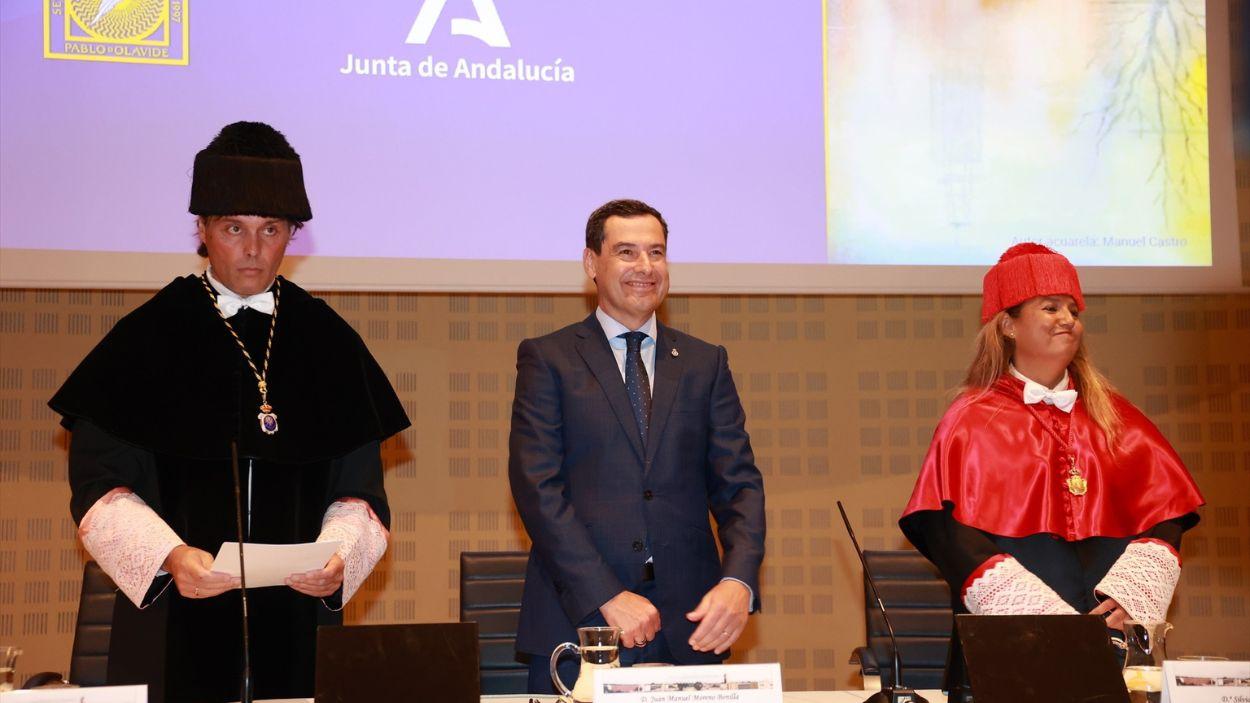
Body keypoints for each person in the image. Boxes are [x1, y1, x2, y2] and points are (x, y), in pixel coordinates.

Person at [49, 122, 409, 702]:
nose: (252, 248)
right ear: (203, 229)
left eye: (270, 230)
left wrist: (341, 556)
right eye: (233, 228)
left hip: (298, 624)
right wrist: (171, 557)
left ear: (293, 233)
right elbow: (101, 491)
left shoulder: (328, 342)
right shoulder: (146, 337)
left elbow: (360, 495)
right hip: (171, 619)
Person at [900, 243, 1204, 689]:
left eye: (1073, 310)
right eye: (1050, 308)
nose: (1068, 319)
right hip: (1010, 648)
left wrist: (1134, 592)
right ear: (1007, 325)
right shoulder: (969, 420)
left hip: (1110, 640)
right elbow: (945, 530)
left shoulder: (1118, 418)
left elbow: (1167, 510)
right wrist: (1034, 613)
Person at [508, 199, 766, 692]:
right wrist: (605, 595)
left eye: (657, 252)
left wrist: (738, 583)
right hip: (581, 623)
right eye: (626, 252)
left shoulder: (705, 362)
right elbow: (537, 489)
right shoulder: (548, 359)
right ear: (592, 264)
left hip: (692, 629)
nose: (645, 267)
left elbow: (740, 487)